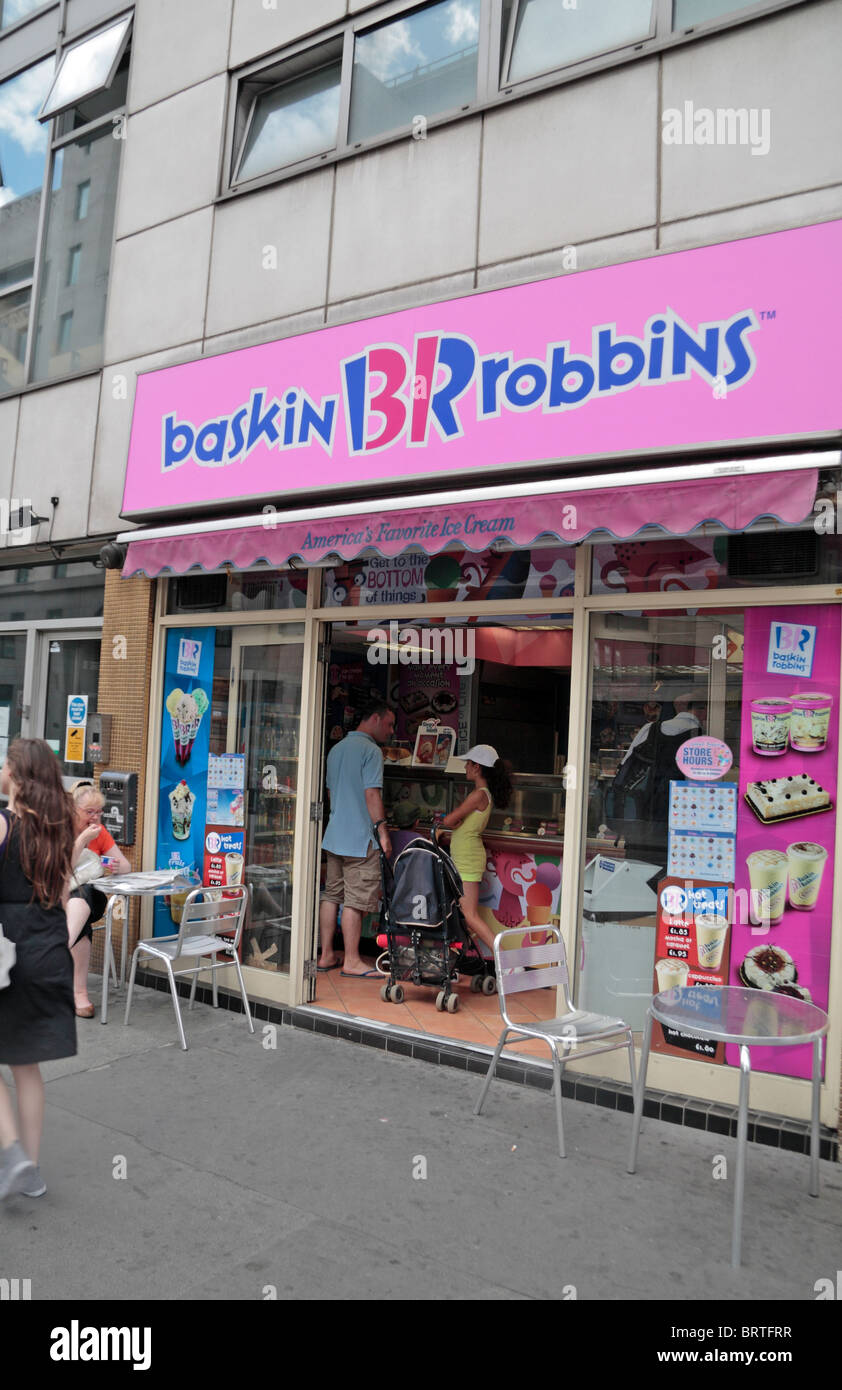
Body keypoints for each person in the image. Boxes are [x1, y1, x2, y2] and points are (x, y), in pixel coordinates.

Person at [0, 739, 96, 1201]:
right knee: (25, 1064)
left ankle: (12, 1155)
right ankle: (31, 1172)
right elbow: (61, 898)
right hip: (47, 949)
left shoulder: (2, 824)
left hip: (6, 951)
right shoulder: (58, 831)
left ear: (16, 777)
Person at [318, 699, 395, 978]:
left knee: (332, 895)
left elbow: (330, 795)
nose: (391, 730)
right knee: (354, 899)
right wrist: (383, 833)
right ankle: (351, 961)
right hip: (361, 840)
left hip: (334, 836)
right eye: (388, 723)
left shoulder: (336, 750)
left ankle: (326, 954)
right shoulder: (371, 751)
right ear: (374, 718)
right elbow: (372, 794)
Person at [611, 691, 708, 859]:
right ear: (703, 710)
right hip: (680, 830)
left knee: (636, 875)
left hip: (640, 822)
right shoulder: (701, 738)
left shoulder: (649, 729)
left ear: (678, 708)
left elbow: (623, 768)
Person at [439, 744, 512, 955]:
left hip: (467, 858)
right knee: (463, 914)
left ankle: (505, 959)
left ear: (477, 767)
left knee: (469, 914)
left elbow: (450, 819)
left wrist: (453, 822)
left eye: (468, 764)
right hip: (465, 856)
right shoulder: (482, 794)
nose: (465, 768)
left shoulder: (479, 795)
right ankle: (457, 959)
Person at [67, 781, 131, 1017]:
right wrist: (82, 841)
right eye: (89, 812)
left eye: (99, 812)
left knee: (82, 897)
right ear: (74, 810)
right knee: (81, 923)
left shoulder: (101, 832)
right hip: (57, 895)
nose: (95, 817)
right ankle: (78, 994)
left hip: (91, 898)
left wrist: (115, 865)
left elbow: (126, 866)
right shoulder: (59, 828)